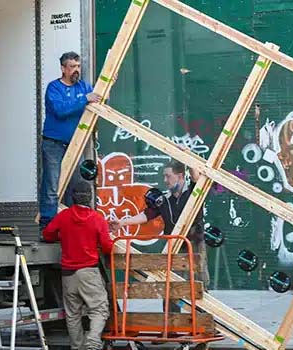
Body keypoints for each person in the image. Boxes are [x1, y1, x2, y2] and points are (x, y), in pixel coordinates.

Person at [109, 147, 210, 287]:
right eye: (164, 176)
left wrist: (188, 156)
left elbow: (196, 178)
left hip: (194, 244)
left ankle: (202, 308)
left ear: (180, 175)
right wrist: (122, 222)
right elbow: (146, 215)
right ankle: (170, 309)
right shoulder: (164, 199)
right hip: (174, 246)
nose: (165, 180)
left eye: (168, 176)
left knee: (199, 282)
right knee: (171, 284)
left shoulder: (193, 193)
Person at [42, 180, 113, 350]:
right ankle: (92, 343)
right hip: (89, 272)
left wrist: (62, 237)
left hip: (68, 275)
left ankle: (77, 347)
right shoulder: (97, 219)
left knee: (72, 315)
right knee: (99, 309)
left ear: (72, 197)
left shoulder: (63, 216)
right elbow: (107, 246)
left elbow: (47, 234)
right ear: (90, 198)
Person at [39, 51, 101, 231]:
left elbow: (99, 101)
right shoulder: (54, 88)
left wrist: (108, 85)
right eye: (72, 67)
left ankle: (77, 227)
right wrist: (83, 99)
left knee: (77, 186)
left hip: (76, 143)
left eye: (78, 66)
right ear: (63, 69)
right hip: (54, 143)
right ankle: (47, 228)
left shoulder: (84, 86)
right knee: (52, 185)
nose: (76, 70)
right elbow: (60, 110)